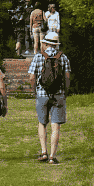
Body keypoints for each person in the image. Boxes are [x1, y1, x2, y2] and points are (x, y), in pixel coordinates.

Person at [28, 32, 70, 163]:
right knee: (55, 126)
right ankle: (52, 156)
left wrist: (35, 90)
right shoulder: (63, 58)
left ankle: (44, 152)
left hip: (42, 94)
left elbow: (31, 77)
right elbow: (67, 77)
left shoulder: (38, 57)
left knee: (42, 123)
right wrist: (65, 91)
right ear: (56, 45)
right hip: (58, 94)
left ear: (45, 44)